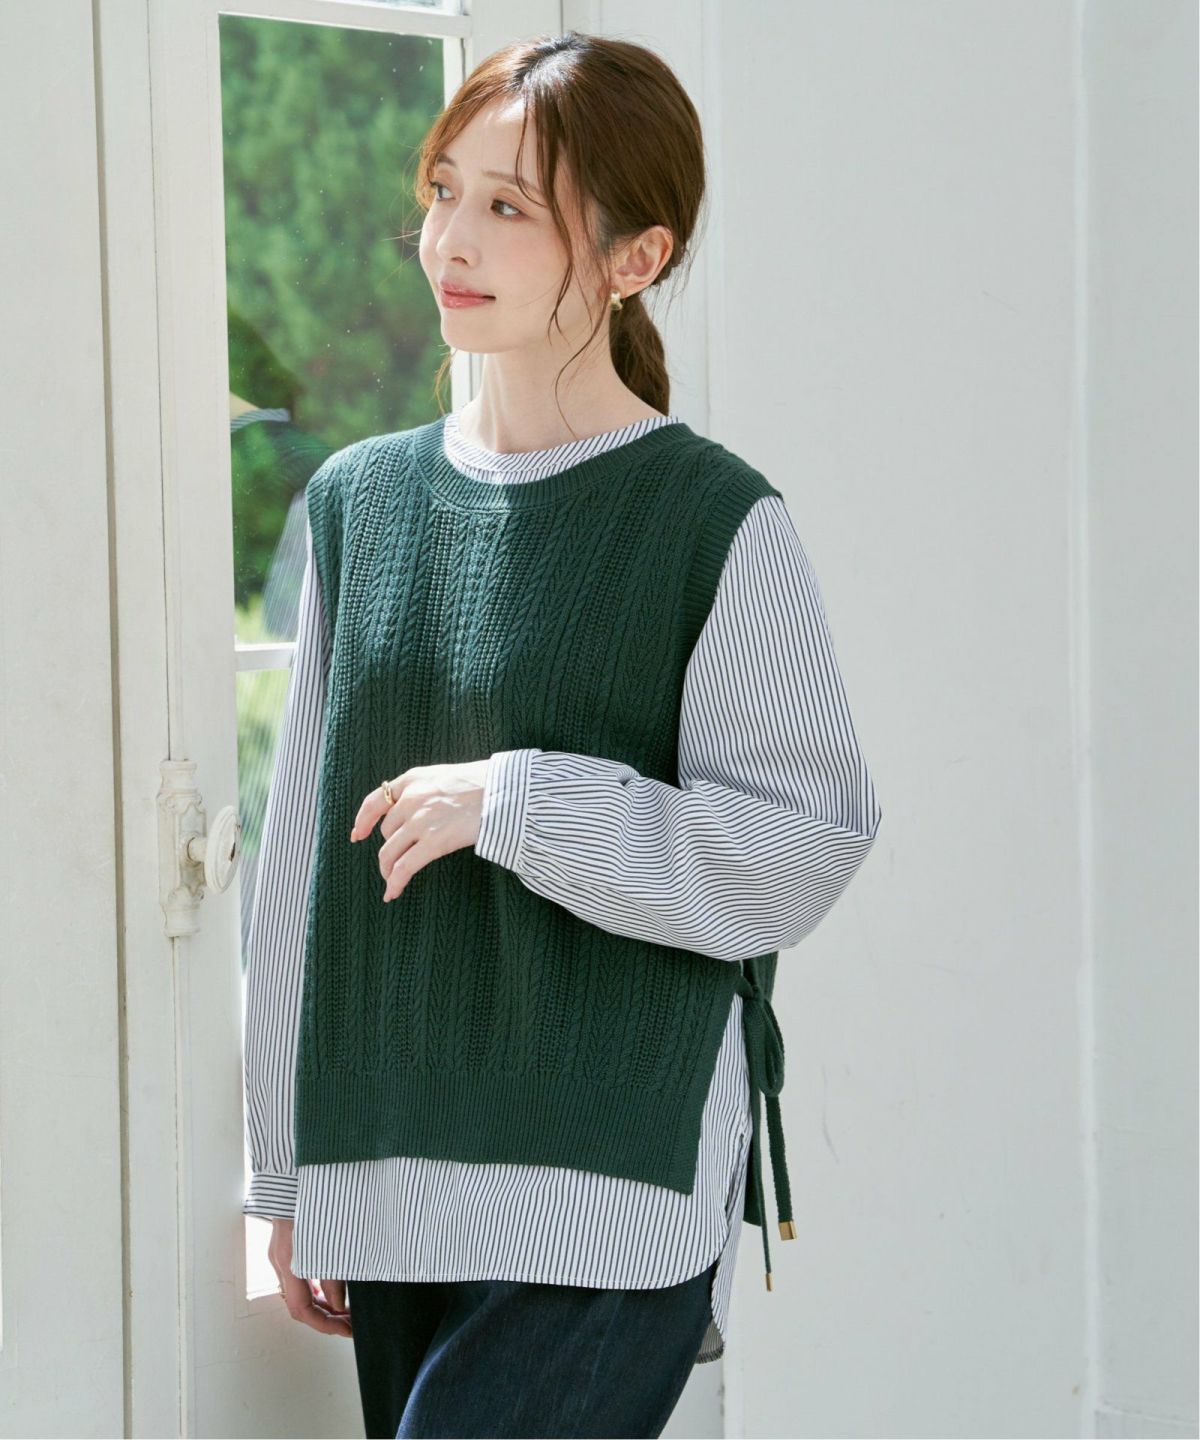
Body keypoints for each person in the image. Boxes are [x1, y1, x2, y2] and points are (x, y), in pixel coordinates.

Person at [242, 29, 883, 1440]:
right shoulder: (360, 505)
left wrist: (518, 803)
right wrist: (286, 1174)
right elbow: (298, 869)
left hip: (610, 1187)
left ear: (634, 257)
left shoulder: (714, 522)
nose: (451, 239)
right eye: (443, 192)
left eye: (510, 207)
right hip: (394, 1169)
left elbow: (795, 851)